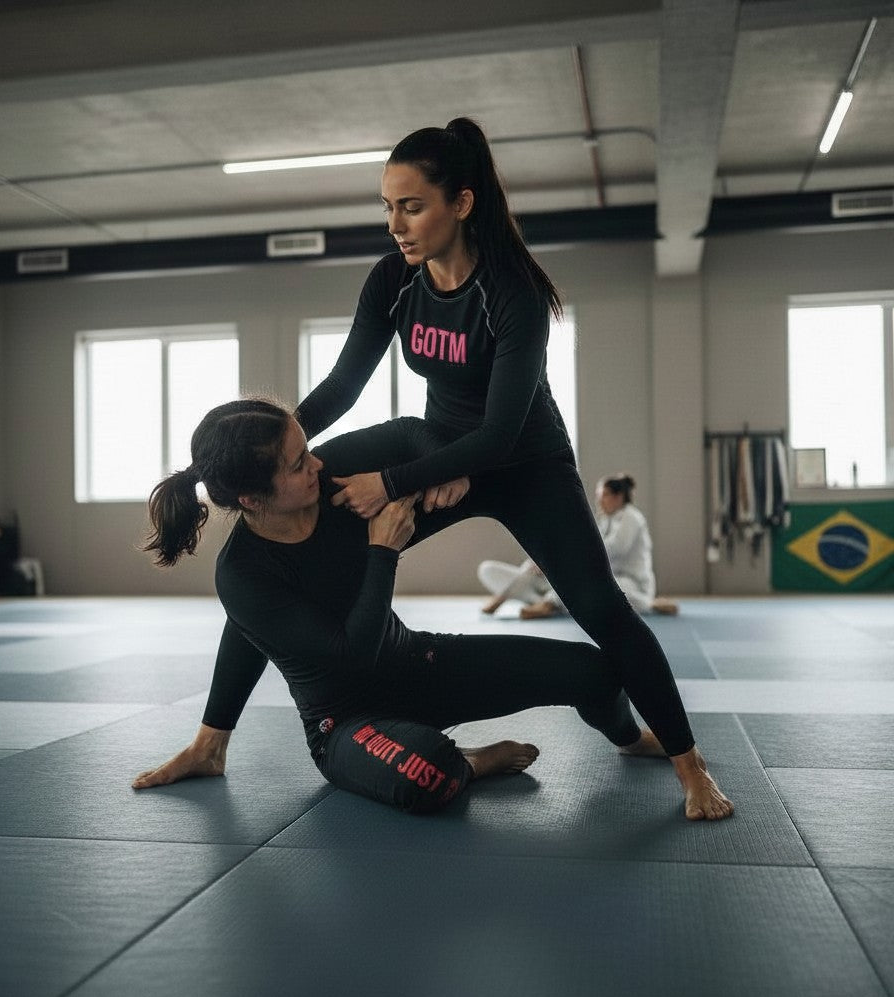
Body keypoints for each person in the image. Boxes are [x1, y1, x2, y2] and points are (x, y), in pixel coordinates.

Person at [289, 116, 731, 819]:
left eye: (412, 206)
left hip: (526, 462)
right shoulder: (394, 281)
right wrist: (276, 439)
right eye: (387, 207)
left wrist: (395, 482)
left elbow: (498, 436)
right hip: (442, 451)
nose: (395, 225)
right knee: (326, 552)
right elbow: (344, 386)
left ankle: (687, 763)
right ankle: (232, 734)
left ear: (460, 203)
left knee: (603, 613)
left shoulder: (511, 291)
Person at [134, 399, 733, 821]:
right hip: (347, 723)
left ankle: (629, 739)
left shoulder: (334, 477)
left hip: (418, 662)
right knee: (429, 775)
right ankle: (475, 762)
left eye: (306, 449)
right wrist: (382, 552)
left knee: (596, 671)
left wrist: (440, 469)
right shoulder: (242, 574)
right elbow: (345, 659)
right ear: (250, 498)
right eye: (297, 465)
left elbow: (411, 430)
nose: (315, 464)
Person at [479, 474, 679, 619]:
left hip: (630, 583)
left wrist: (564, 559)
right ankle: (547, 599)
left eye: (604, 495)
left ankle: (650, 604)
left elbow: (610, 550)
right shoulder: (605, 521)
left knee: (591, 584)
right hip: (596, 581)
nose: (599, 500)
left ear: (618, 497)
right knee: (494, 569)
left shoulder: (632, 518)